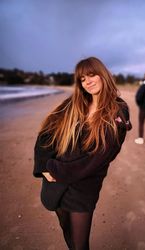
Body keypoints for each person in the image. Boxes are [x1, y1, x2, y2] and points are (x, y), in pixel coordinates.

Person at [33, 56, 132, 250]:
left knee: (80, 245)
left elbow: (100, 157)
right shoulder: (73, 104)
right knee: (67, 232)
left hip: (83, 186)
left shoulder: (118, 110)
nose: (88, 81)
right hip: (55, 184)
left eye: (92, 75)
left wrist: (55, 168)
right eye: (82, 79)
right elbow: (45, 134)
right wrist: (44, 165)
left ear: (102, 75)